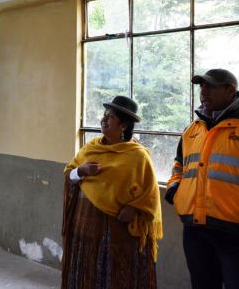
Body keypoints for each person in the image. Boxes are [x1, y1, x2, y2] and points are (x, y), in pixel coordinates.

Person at [61, 96, 162, 289]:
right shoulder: (90, 148)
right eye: (104, 115)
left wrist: (134, 208)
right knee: (86, 272)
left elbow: (151, 193)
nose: (104, 119)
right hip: (85, 229)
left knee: (116, 276)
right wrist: (81, 171)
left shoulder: (138, 156)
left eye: (110, 117)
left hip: (120, 232)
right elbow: (68, 174)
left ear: (123, 125)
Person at [165, 69, 239, 289]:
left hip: (233, 232)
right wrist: (174, 188)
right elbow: (180, 163)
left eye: (211, 86)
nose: (203, 91)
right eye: (201, 86)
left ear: (230, 90)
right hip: (195, 229)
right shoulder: (193, 129)